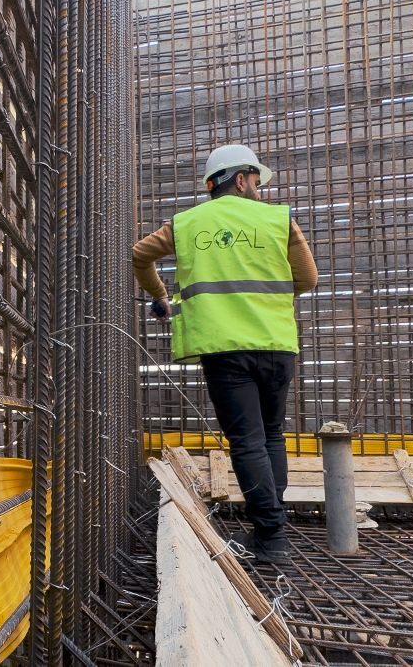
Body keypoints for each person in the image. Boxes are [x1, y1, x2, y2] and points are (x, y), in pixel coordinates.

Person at [132, 144, 318, 564]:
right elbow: (307, 278)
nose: (258, 189)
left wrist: (162, 297)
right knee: (271, 435)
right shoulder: (278, 219)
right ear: (240, 179)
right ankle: (273, 526)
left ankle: (271, 537)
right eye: (256, 181)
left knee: (248, 439)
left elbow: (139, 255)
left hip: (224, 349)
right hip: (275, 345)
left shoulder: (186, 224)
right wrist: (264, 297)